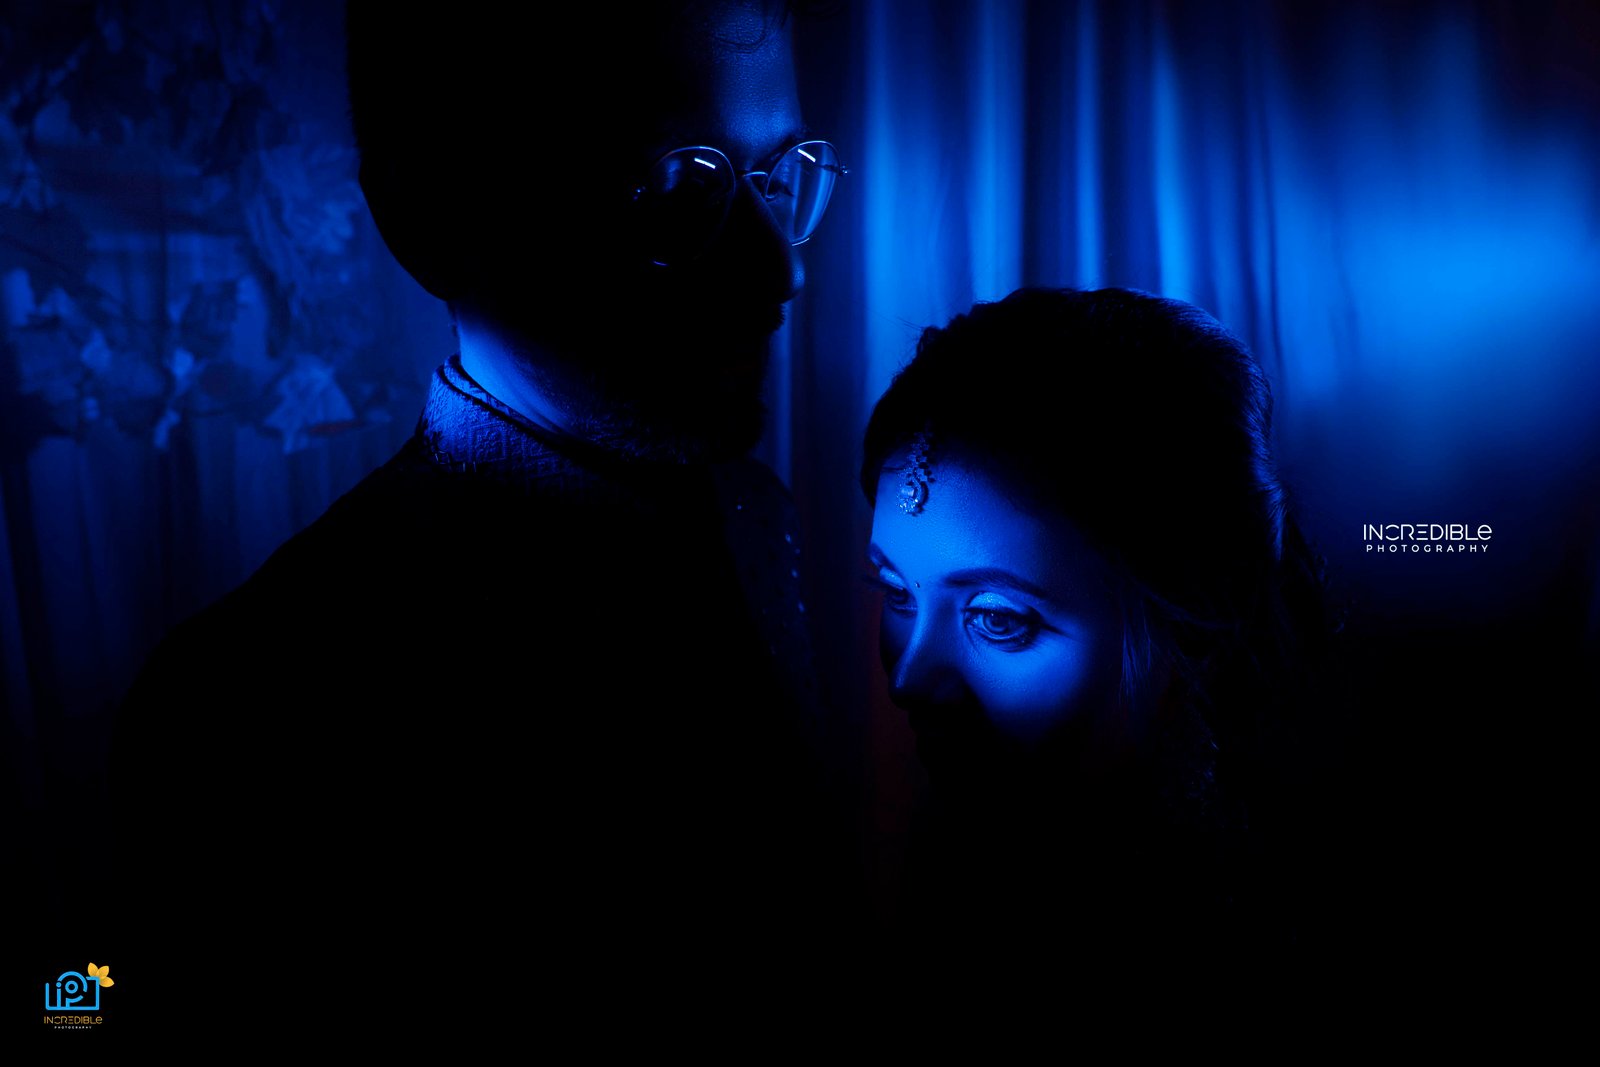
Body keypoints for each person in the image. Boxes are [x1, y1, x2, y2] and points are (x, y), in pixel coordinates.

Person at [109, 1, 855, 1031]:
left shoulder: (750, 515)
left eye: (779, 175)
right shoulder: (244, 710)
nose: (784, 269)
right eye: (682, 189)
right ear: (429, 218)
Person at [860, 287, 1342, 963]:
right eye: (897, 591)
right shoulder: (947, 872)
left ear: (1192, 627)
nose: (908, 678)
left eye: (997, 619)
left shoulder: (1268, 921)